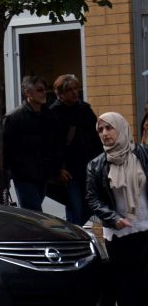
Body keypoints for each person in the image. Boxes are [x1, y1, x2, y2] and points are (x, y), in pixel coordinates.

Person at [85, 112, 148, 306]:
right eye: (100, 130)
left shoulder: (142, 155)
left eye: (109, 128)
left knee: (146, 286)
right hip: (119, 236)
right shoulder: (97, 164)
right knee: (129, 289)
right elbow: (93, 199)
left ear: (121, 129)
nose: (105, 134)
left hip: (145, 228)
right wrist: (113, 219)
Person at [49, 75, 101, 224]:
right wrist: (58, 168)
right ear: (60, 94)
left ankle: (75, 233)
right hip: (69, 170)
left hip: (89, 166)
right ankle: (75, 238)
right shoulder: (54, 113)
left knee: (91, 205)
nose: (74, 93)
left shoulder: (85, 109)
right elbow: (52, 145)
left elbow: (96, 138)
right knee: (75, 208)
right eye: (69, 90)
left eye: (75, 88)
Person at [3, 75, 56, 211]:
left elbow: (52, 143)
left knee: (34, 211)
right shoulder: (14, 118)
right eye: (39, 90)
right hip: (24, 174)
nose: (44, 93)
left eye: (45, 90)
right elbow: (6, 148)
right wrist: (6, 173)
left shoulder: (48, 115)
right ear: (27, 92)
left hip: (43, 173)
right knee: (34, 211)